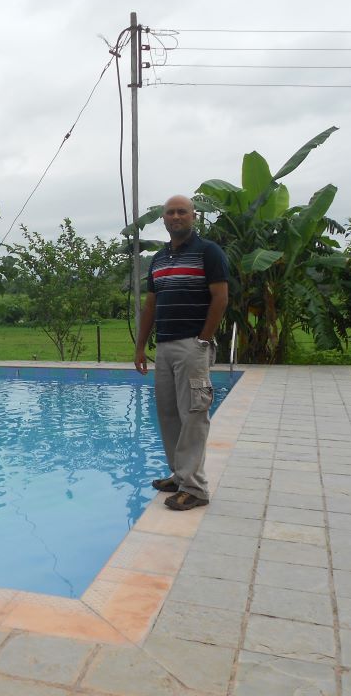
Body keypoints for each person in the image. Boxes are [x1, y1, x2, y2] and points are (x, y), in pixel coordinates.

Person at [135, 195, 229, 510]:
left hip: (192, 344)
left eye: (182, 212)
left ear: (193, 216)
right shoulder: (159, 259)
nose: (176, 217)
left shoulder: (208, 252)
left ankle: (195, 488)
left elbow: (220, 298)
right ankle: (180, 475)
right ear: (163, 218)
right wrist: (140, 346)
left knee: (193, 415)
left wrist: (204, 340)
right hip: (164, 346)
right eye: (170, 212)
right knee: (169, 414)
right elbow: (151, 305)